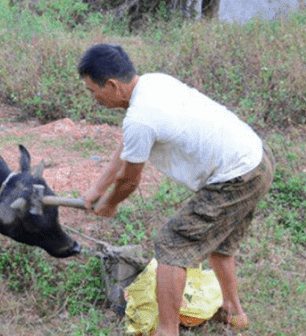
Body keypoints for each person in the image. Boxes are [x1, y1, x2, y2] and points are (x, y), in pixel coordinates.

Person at [78, 44, 274, 335]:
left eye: (93, 91)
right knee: (219, 244)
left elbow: (130, 181)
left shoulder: (140, 119)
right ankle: (234, 314)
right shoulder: (154, 82)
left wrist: (109, 203)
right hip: (257, 159)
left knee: (172, 244)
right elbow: (126, 148)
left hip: (236, 175)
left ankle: (167, 331)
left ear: (112, 85)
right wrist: (97, 187)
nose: (94, 98)